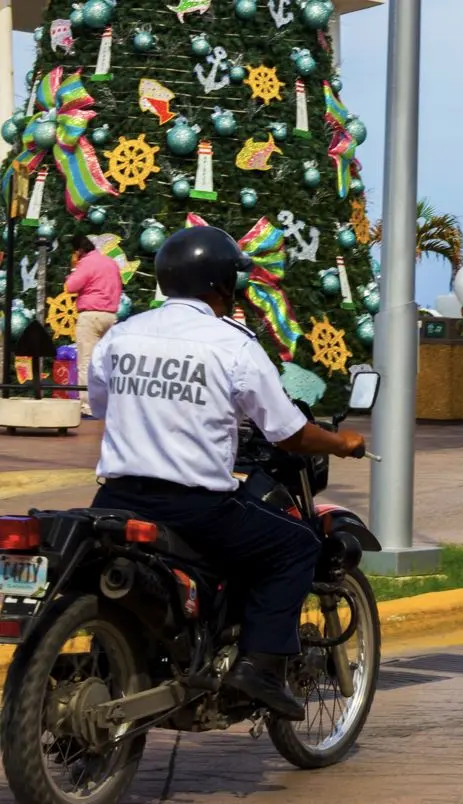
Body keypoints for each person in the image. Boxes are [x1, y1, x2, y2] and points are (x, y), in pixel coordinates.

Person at [86, 226, 367, 722]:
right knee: (296, 545)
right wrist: (342, 443)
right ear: (222, 285)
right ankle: (257, 669)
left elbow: (103, 405)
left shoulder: (121, 335)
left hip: (116, 497)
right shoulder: (232, 344)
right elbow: (287, 433)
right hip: (195, 507)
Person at [65, 234, 123, 419]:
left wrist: (74, 266)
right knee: (107, 363)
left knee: (87, 363)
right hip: (111, 316)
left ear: (79, 251)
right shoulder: (111, 263)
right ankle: (109, 405)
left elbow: (70, 286)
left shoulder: (86, 263)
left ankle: (88, 408)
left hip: (90, 316)